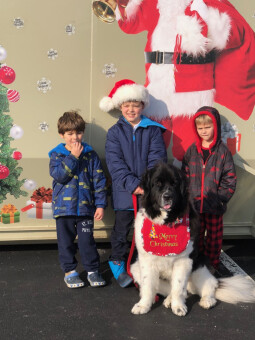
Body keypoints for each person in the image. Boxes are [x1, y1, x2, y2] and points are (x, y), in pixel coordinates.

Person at [113, 0, 255, 163]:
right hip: (158, 85)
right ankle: (150, 182)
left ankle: (188, 184)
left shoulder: (207, 3)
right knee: (151, 143)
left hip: (193, 88)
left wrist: (205, 17)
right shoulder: (156, 3)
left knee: (189, 148)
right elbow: (131, 23)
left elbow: (234, 33)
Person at [100, 79, 167, 287]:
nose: (131, 109)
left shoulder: (153, 130)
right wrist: (132, 185)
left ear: (142, 106)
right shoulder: (114, 133)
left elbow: (157, 159)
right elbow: (115, 163)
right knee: (122, 230)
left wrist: (147, 186)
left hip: (148, 194)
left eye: (135, 105)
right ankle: (118, 263)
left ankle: (143, 265)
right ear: (120, 106)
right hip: (124, 193)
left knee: (147, 231)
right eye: (126, 105)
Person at [49, 111, 107, 288]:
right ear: (62, 135)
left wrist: (100, 205)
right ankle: (70, 271)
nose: (75, 137)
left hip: (85, 209)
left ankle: (92, 270)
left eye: (78, 132)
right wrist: (73, 157)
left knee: (87, 241)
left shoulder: (91, 154)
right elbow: (59, 176)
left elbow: (99, 181)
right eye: (70, 133)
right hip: (63, 209)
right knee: (65, 242)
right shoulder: (57, 155)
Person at [182, 106, 236, 271]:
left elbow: (230, 179)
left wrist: (220, 198)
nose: (204, 131)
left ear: (216, 127)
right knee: (194, 236)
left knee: (214, 238)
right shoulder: (191, 151)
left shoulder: (223, 152)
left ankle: (212, 264)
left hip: (214, 206)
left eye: (207, 127)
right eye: (200, 128)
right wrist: (187, 199)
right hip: (194, 205)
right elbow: (184, 177)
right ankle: (194, 263)